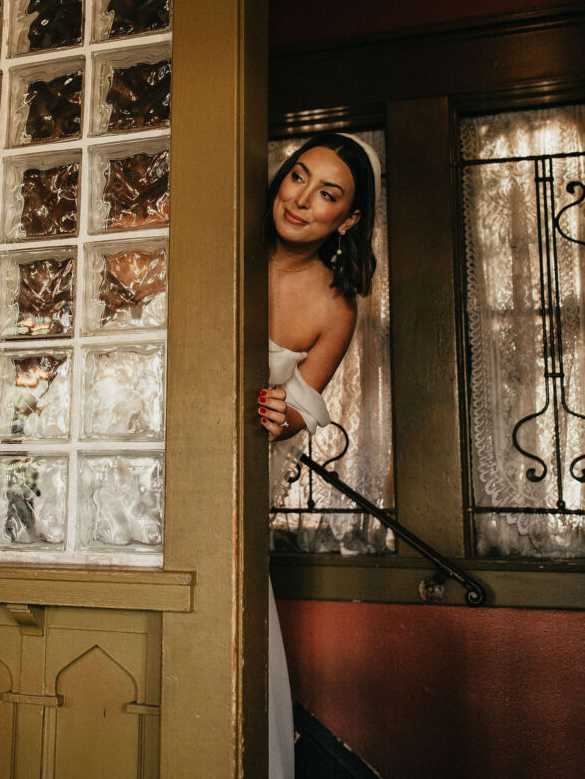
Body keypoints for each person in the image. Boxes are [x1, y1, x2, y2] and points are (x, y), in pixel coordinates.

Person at [259, 131, 380, 779]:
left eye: (326, 193)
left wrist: (281, 419)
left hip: (230, 467)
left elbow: (305, 403)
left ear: (349, 217)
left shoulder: (337, 303)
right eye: (296, 177)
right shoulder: (225, 236)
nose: (301, 199)